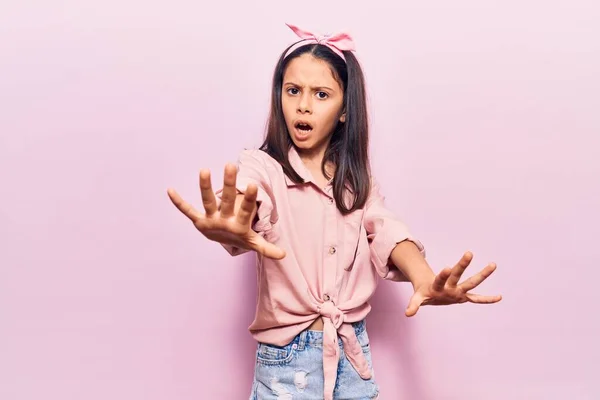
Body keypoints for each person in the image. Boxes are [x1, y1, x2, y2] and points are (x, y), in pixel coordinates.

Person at [167, 23, 502, 400]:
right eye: (293, 91)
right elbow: (250, 193)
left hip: (352, 356)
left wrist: (423, 277)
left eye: (321, 94)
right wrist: (233, 222)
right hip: (285, 364)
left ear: (344, 111)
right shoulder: (263, 167)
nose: (303, 105)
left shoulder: (357, 186)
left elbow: (387, 231)